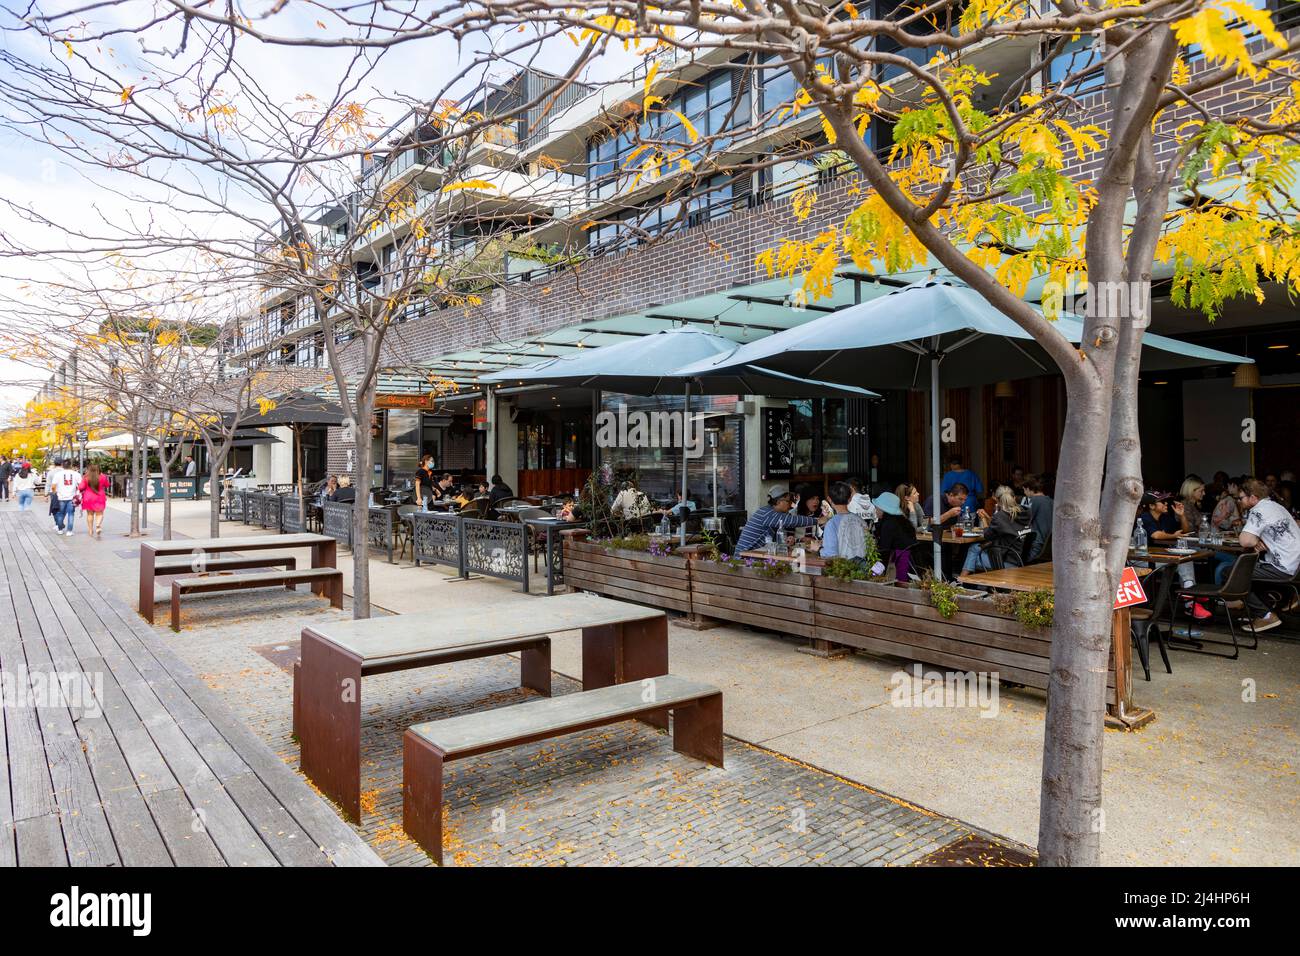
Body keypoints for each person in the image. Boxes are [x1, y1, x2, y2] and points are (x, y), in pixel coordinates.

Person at [1237, 478, 1300, 632]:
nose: (1239, 501)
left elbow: (1245, 541)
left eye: (1240, 498)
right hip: (1295, 563)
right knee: (1252, 573)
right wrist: (1259, 539)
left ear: (1253, 498)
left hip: (1284, 566)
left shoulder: (1259, 510)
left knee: (1235, 573)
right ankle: (1266, 610)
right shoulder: (1276, 506)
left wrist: (1255, 539)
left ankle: (1266, 616)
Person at [1139, 490, 1210, 620]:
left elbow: (1185, 531)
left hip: (1161, 558)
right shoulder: (1144, 517)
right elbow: (1156, 535)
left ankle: (1190, 597)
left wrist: (1182, 515)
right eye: (1162, 502)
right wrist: (1174, 536)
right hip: (1143, 560)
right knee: (1182, 561)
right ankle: (1191, 596)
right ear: (1151, 506)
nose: (1166, 503)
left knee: (1183, 560)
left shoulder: (1165, 517)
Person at [735, 485, 826, 552]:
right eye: (788, 501)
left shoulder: (769, 512)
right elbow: (792, 521)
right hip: (743, 558)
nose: (791, 504)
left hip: (753, 554)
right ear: (779, 501)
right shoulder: (768, 514)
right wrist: (817, 520)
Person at [962, 486, 1025, 573]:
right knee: (975, 550)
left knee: (973, 551)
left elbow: (987, 535)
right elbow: (1002, 525)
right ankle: (967, 582)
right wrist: (988, 517)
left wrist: (983, 519)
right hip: (1019, 557)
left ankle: (962, 581)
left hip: (1004, 561)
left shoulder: (1000, 516)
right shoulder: (1025, 513)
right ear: (1014, 497)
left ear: (997, 501)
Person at [873, 490, 918, 580]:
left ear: (883, 509)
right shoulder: (902, 521)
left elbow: (884, 551)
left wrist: (875, 573)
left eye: (877, 507)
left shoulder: (888, 524)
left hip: (902, 561)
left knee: (902, 588)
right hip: (913, 560)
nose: (875, 510)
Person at [820, 481, 868, 561]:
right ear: (850, 499)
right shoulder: (860, 521)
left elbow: (830, 555)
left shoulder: (831, 524)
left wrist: (818, 549)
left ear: (829, 499)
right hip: (862, 568)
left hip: (844, 570)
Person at [1022, 474, 1054, 562]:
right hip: (1049, 548)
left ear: (1028, 488)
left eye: (1024, 490)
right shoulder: (1052, 501)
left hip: (1035, 546)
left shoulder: (1033, 501)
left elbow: (1024, 522)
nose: (1024, 493)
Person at [49, 458, 81, 536]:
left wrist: (54, 492)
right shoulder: (76, 474)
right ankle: (69, 531)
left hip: (61, 497)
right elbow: (81, 485)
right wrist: (78, 493)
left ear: (62, 465)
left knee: (60, 513)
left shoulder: (58, 474)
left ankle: (60, 529)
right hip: (72, 497)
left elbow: (53, 486)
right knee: (71, 514)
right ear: (71, 465)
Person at [78, 463, 110, 538]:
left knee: (90, 514)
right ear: (98, 470)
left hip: (88, 498)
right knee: (100, 513)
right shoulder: (102, 477)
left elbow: (80, 487)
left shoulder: (86, 477)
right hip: (100, 497)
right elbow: (107, 485)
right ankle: (98, 525)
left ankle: (90, 530)